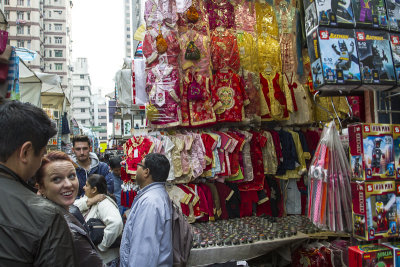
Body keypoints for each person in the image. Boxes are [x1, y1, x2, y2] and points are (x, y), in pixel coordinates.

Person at [0, 100, 77, 266]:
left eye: (72, 176)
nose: (68, 184)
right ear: (26, 152)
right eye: (42, 154)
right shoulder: (46, 217)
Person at [35, 151, 103, 266]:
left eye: (71, 176)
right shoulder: (59, 228)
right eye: (56, 179)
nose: (68, 184)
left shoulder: (66, 212)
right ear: (41, 187)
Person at [120, 153, 173, 267]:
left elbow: (143, 253)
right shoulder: (156, 195)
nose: (136, 169)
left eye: (139, 165)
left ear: (146, 172)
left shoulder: (150, 202)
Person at [74, 174, 123, 266]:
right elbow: (72, 208)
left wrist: (102, 246)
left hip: (106, 259)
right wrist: (90, 201)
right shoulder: (90, 200)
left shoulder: (104, 204)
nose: (84, 188)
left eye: (87, 185)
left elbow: (116, 223)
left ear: (94, 190)